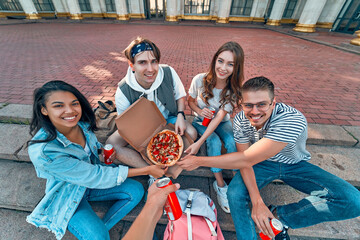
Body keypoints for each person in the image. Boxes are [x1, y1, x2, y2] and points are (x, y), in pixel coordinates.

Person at [178, 76, 360, 240]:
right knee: (235, 193)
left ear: (273, 103)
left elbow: (245, 158)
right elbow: (245, 160)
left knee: (353, 200)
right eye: (248, 105)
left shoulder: (291, 119)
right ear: (241, 103)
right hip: (260, 164)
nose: (255, 111)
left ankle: (281, 216)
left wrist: (198, 161)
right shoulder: (241, 119)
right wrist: (257, 201)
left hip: (294, 164)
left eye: (262, 104)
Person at [26, 80, 166, 240]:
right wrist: (147, 170)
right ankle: (99, 234)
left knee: (136, 191)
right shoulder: (44, 151)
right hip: (68, 192)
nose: (70, 111)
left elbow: (93, 150)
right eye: (58, 106)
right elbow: (96, 175)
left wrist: (102, 152)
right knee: (99, 237)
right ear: (44, 110)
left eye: (74, 104)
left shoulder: (81, 125)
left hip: (92, 184)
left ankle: (103, 228)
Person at [107, 36, 197, 180]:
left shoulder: (168, 72)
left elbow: (180, 95)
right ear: (131, 65)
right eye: (142, 62)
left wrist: (180, 114)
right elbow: (127, 126)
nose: (150, 69)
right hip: (141, 127)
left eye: (154, 61)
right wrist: (146, 140)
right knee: (112, 144)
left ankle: (169, 167)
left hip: (169, 118)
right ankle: (152, 172)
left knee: (191, 132)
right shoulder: (123, 90)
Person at [185, 41, 244, 213]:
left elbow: (219, 118)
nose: (223, 67)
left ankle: (237, 181)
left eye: (230, 64)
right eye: (220, 61)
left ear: (236, 67)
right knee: (214, 142)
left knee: (232, 140)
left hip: (222, 122)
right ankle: (220, 184)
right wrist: (199, 110)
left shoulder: (234, 90)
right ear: (214, 60)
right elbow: (190, 101)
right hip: (200, 122)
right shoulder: (199, 79)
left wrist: (198, 142)